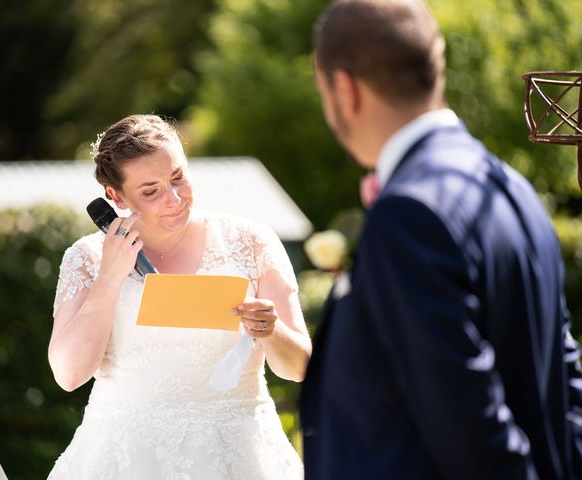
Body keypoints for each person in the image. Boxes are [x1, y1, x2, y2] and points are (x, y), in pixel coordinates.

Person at [299, 1, 582, 479]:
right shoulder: (515, 188)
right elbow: (564, 382)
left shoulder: (409, 212)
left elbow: (473, 433)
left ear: (343, 90)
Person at [47, 114, 311, 479]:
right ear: (115, 197)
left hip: (239, 455)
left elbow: (297, 368)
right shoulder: (87, 258)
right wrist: (109, 278)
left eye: (178, 178)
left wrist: (270, 329)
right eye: (151, 191)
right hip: (124, 457)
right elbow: (70, 374)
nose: (174, 199)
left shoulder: (251, 241)